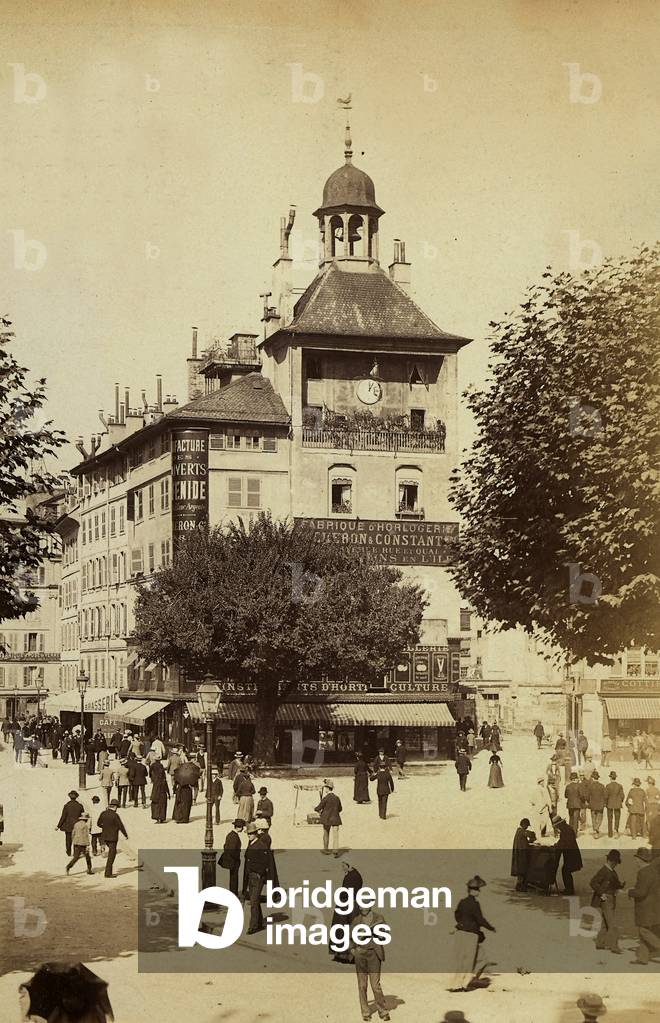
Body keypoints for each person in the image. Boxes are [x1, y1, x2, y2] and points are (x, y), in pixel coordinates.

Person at [447, 876, 495, 992]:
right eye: (477, 889)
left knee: (461, 960)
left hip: (460, 933)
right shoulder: (475, 904)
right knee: (469, 961)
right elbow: (480, 919)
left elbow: (457, 914)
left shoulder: (462, 902)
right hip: (471, 935)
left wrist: (462, 923)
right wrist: (491, 927)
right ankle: (463, 985)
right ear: (473, 890)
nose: (479, 891)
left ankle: (455, 984)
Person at [349, 904, 391, 1021]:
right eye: (360, 906)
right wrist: (353, 950)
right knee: (362, 985)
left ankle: (382, 1011)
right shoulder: (356, 920)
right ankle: (365, 1013)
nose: (362, 908)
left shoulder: (379, 919)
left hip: (374, 954)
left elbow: (386, 934)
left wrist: (378, 933)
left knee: (375, 986)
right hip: (360, 954)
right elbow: (349, 937)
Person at [628, 847, 660, 965]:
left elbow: (641, 892)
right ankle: (643, 958)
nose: (636, 862)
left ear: (640, 860)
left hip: (645, 908)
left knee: (643, 931)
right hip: (654, 907)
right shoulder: (653, 870)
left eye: (636, 859)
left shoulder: (643, 872)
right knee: (644, 931)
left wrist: (630, 892)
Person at [590, 849, 624, 953]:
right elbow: (593, 883)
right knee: (612, 924)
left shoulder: (611, 871)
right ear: (611, 861)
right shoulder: (603, 871)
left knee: (605, 923)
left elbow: (614, 883)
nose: (616, 865)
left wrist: (620, 885)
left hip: (611, 898)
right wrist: (601, 893)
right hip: (606, 900)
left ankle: (600, 943)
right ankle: (614, 946)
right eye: (616, 862)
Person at [330, 860, 363, 962]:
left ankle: (345, 955)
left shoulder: (352, 876)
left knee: (343, 929)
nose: (342, 867)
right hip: (350, 904)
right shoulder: (354, 874)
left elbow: (347, 892)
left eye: (344, 865)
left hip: (347, 906)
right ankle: (345, 955)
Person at [242, 821, 269, 934]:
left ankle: (253, 926)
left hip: (257, 877)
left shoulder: (261, 845)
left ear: (256, 833)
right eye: (248, 834)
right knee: (255, 901)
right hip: (251, 875)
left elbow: (265, 862)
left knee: (253, 901)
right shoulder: (251, 844)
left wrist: (259, 873)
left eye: (251, 833)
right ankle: (259, 923)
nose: (249, 836)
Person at [96, 799, 128, 878]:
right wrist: (125, 835)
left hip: (104, 836)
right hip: (113, 837)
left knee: (111, 853)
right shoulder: (115, 815)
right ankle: (108, 873)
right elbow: (120, 826)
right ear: (115, 807)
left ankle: (108, 872)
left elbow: (98, 823)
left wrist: (104, 827)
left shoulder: (103, 813)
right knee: (111, 855)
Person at [552, 814, 583, 894]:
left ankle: (570, 890)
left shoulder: (567, 830)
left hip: (571, 855)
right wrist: (557, 845)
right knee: (566, 870)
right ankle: (569, 889)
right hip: (570, 854)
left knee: (566, 870)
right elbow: (562, 842)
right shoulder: (566, 829)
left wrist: (557, 846)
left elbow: (565, 843)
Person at [315, 780, 342, 856]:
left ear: (327, 788)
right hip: (335, 818)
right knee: (335, 835)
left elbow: (318, 808)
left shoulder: (326, 798)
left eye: (325, 788)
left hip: (326, 819)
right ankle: (335, 851)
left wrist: (316, 809)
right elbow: (340, 809)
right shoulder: (337, 798)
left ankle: (326, 849)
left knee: (326, 833)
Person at [219, 818, 244, 896]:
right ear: (239, 827)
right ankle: (234, 893)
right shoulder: (235, 836)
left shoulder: (230, 834)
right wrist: (237, 857)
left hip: (231, 860)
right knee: (234, 878)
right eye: (242, 827)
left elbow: (225, 846)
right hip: (234, 860)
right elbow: (232, 850)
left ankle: (233, 892)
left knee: (233, 877)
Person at [55, 790, 84, 856]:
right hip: (77, 825)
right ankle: (75, 852)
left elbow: (63, 817)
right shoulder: (80, 806)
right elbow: (83, 816)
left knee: (68, 839)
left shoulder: (66, 806)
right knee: (76, 839)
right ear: (76, 797)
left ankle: (68, 852)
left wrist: (58, 826)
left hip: (68, 826)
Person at [511, 818, 536, 892]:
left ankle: (522, 885)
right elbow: (529, 834)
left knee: (522, 870)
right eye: (527, 825)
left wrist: (530, 840)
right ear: (523, 824)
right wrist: (532, 837)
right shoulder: (520, 831)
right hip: (521, 854)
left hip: (521, 853)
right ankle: (520, 886)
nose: (527, 827)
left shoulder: (520, 831)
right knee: (522, 870)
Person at [605, 771, 625, 838]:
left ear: (610, 778)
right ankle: (616, 831)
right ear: (615, 778)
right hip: (617, 804)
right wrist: (620, 801)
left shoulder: (608, 786)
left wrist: (606, 802)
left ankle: (610, 833)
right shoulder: (619, 786)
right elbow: (622, 796)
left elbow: (606, 796)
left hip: (609, 804)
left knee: (610, 819)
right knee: (617, 818)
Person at [149, 759, 170, 823]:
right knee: (163, 806)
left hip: (156, 794)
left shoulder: (156, 781)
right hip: (163, 794)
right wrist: (168, 794)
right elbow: (167, 788)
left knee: (156, 806)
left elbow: (150, 772)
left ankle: (157, 818)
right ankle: (162, 818)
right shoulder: (163, 780)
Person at [588, 770, 606, 838]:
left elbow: (587, 795)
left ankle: (595, 830)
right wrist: (604, 802)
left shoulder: (590, 786)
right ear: (598, 778)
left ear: (592, 778)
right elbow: (605, 795)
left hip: (592, 804)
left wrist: (588, 801)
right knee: (600, 817)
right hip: (600, 804)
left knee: (593, 817)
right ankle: (597, 828)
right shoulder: (602, 786)